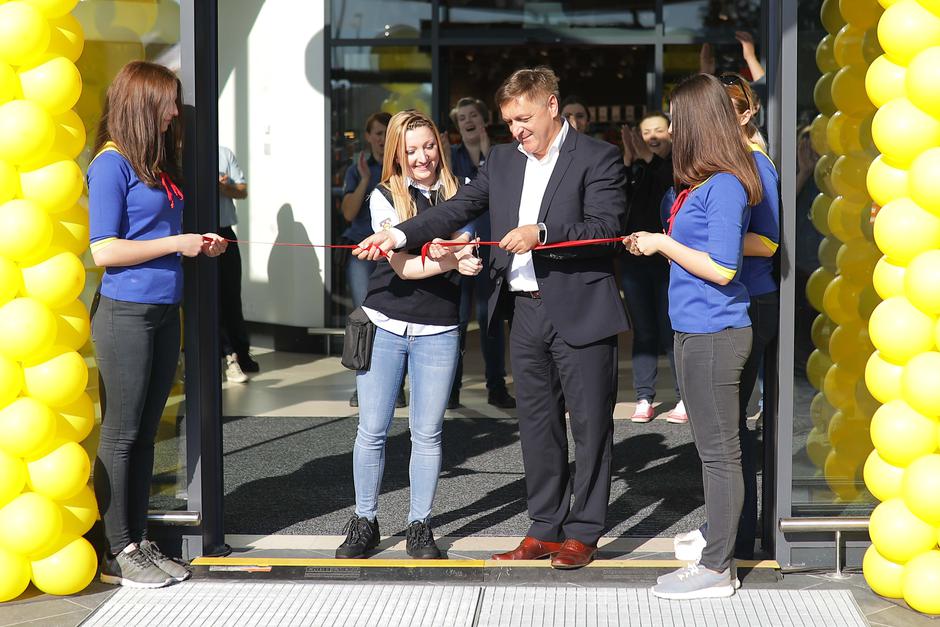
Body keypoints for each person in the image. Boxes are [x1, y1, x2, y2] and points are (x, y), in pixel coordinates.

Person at [355, 67, 629, 570]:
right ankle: (545, 527)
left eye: (524, 118)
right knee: (536, 425)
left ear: (552, 104)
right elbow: (455, 208)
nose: (517, 129)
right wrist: (397, 236)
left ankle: (584, 531)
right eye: (509, 121)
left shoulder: (598, 156)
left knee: (590, 428)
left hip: (582, 311)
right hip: (522, 311)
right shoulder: (503, 161)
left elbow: (608, 229)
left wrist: (542, 232)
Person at [88, 61, 227, 588]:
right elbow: (104, 250)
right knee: (123, 434)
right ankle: (117, 548)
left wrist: (196, 243)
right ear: (143, 105)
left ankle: (137, 538)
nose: (175, 111)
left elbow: (155, 232)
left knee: (146, 434)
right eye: (168, 102)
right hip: (125, 314)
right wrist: (177, 243)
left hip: (163, 310)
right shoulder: (111, 164)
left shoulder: (153, 164)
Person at [626, 73, 761, 599]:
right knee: (716, 454)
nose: (674, 128)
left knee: (720, 456)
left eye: (680, 119)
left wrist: (663, 243)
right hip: (696, 331)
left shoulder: (724, 184)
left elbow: (725, 268)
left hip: (715, 332)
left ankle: (716, 568)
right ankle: (715, 561)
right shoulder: (706, 183)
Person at [336, 110, 482, 560]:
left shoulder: (463, 195)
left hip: (438, 328)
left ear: (441, 145)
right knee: (372, 431)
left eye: (429, 146)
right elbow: (405, 266)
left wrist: (455, 253)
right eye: (411, 149)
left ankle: (420, 524)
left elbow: (463, 243)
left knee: (428, 433)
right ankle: (365, 521)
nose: (422, 157)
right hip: (384, 325)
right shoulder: (383, 196)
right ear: (396, 154)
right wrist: (454, 261)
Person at [673, 73, 781, 567]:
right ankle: (726, 539)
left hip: (738, 308)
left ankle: (728, 549)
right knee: (724, 438)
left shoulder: (746, 170)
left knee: (725, 442)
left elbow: (765, 244)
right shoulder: (715, 176)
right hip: (715, 313)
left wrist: (682, 244)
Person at [447, 97, 515, 409]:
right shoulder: (450, 157)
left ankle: (496, 387)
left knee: (490, 322)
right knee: (456, 322)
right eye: (463, 118)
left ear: (484, 119)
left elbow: (507, 193)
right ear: (458, 126)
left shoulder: (502, 155)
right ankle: (451, 390)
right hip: (457, 252)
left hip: (492, 248)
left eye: (473, 115)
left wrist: (488, 153)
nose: (469, 121)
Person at [619, 113, 684, 424]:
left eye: (659, 130)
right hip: (633, 261)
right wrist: (630, 162)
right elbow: (618, 204)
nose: (653, 136)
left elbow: (671, 190)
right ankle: (644, 397)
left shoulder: (678, 163)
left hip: (667, 259)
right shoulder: (635, 167)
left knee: (669, 328)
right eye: (646, 132)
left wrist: (648, 160)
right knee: (643, 331)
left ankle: (684, 397)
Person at [340, 112, 404, 408]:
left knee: (396, 319)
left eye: (386, 133)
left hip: (395, 253)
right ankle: (363, 384)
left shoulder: (403, 167)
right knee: (365, 318)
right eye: (377, 133)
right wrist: (366, 179)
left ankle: (396, 386)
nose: (381, 138)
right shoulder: (358, 169)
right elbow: (348, 214)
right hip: (363, 255)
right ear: (368, 136)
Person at [217, 145, 254, 383]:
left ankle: (240, 352)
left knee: (231, 295)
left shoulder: (224, 153)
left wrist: (223, 186)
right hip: (192, 234)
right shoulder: (177, 152)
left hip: (225, 231)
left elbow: (242, 190)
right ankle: (228, 356)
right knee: (211, 300)